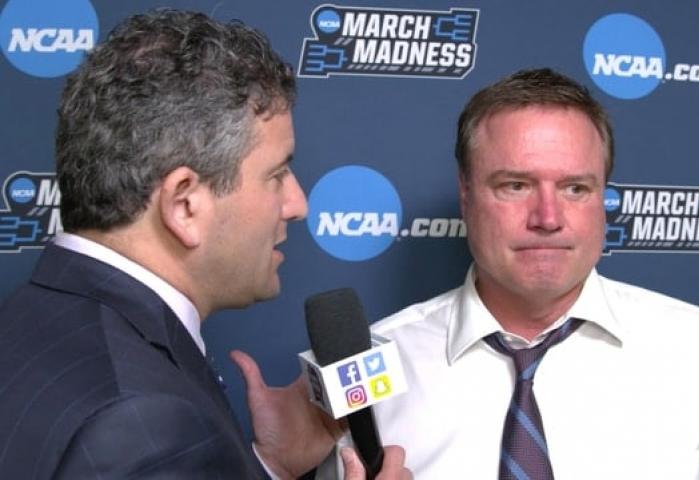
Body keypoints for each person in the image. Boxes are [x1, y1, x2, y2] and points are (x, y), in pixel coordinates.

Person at [0, 9, 409, 480]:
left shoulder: (35, 315)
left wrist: (266, 467)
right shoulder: (145, 419)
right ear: (185, 205)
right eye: (277, 174)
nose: (298, 205)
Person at [321, 68, 699, 479]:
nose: (547, 217)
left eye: (575, 188)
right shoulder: (368, 372)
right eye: (515, 185)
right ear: (466, 194)